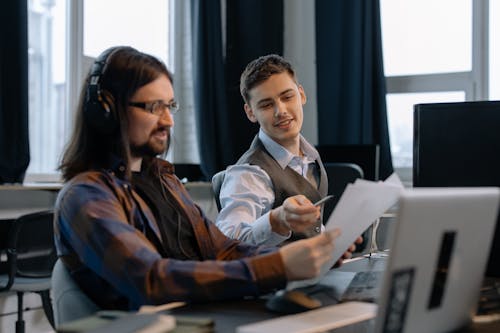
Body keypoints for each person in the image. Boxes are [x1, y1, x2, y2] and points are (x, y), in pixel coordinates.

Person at [54, 46, 350, 311]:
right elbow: (151, 278)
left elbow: (221, 249)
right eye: (154, 107)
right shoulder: (86, 195)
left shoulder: (164, 181)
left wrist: (304, 255)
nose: (168, 120)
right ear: (105, 111)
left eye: (170, 106)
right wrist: (280, 267)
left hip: (193, 318)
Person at [216, 55, 334, 246]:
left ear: (301, 95)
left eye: (287, 97)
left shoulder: (311, 157)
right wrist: (276, 220)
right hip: (275, 275)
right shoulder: (249, 173)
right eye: (266, 105)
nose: (281, 111)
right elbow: (228, 241)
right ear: (250, 113)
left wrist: (330, 246)